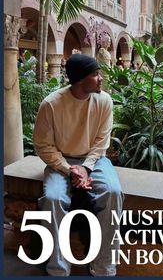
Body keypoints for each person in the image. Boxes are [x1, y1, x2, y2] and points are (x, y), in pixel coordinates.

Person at [33, 53, 124, 276]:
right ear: (80, 80)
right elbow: (43, 145)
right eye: (95, 74)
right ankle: (58, 269)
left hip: (95, 160)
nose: (101, 78)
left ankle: (104, 267)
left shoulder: (104, 101)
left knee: (113, 192)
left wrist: (86, 167)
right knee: (53, 199)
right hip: (61, 161)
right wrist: (69, 169)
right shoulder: (51, 104)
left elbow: (102, 142)